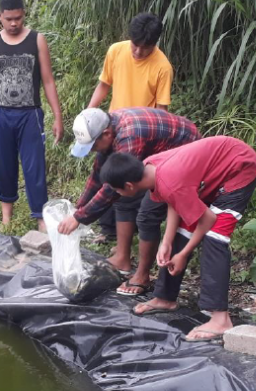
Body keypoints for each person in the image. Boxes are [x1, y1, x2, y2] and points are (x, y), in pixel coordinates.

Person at [99, 137, 256, 342]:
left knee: (215, 237)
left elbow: (208, 219)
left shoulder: (168, 180)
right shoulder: (150, 167)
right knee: (182, 232)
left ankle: (221, 319)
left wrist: (183, 255)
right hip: (215, 171)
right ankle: (165, 297)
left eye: (117, 191)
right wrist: (166, 241)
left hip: (239, 167)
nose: (118, 194)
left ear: (129, 186)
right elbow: (173, 198)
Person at [57, 107, 199, 296]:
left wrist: (79, 218)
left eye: (92, 146)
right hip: (161, 156)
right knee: (121, 192)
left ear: (106, 134)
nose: (92, 151)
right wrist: (78, 208)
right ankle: (122, 258)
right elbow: (98, 176)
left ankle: (142, 276)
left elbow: (109, 190)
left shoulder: (130, 136)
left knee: (147, 214)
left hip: (186, 154)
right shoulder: (110, 129)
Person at [0, 0, 64, 230]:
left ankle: (41, 218)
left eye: (18, 18)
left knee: (34, 165)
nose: (13, 24)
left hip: (30, 114)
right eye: (8, 19)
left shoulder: (36, 40)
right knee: (3, 164)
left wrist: (57, 116)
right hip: (0, 114)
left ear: (23, 15)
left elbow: (48, 80)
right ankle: (6, 217)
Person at [86, 12, 173, 249]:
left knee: (129, 185)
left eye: (144, 49)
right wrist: (89, 113)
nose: (137, 52)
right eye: (134, 46)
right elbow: (104, 84)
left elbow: (162, 111)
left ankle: (130, 232)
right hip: (112, 126)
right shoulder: (116, 51)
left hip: (142, 136)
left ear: (154, 44)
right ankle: (107, 230)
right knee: (104, 174)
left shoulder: (162, 67)